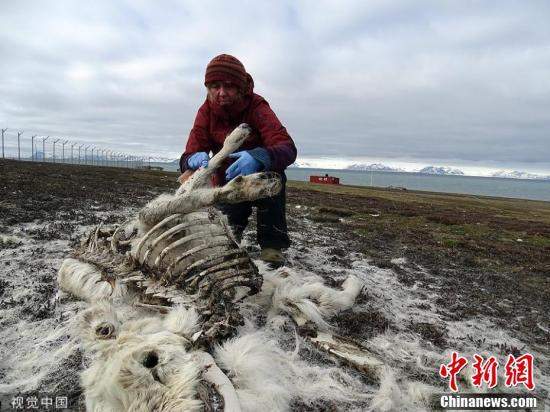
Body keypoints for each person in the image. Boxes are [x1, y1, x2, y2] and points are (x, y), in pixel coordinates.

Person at [179, 54, 297, 267]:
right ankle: (232, 237)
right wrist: (190, 160)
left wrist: (259, 157)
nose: (221, 93)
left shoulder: (257, 107)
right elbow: (191, 151)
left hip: (260, 176)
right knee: (226, 235)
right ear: (208, 87)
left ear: (241, 87)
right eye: (215, 86)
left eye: (229, 86)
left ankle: (272, 247)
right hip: (227, 181)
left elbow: (287, 148)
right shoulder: (206, 111)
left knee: (275, 178)